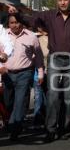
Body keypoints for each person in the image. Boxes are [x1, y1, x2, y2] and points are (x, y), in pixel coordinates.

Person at [34, 0, 70, 143]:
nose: (63, 2)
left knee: (69, 97)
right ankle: (50, 130)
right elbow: (31, 18)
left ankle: (63, 128)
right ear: (56, 1)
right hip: (55, 59)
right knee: (52, 95)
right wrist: (17, 13)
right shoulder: (49, 15)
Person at [2, 13, 44, 141]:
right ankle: (14, 121)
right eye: (12, 23)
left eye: (17, 22)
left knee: (19, 102)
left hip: (24, 73)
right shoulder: (3, 36)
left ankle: (15, 128)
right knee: (8, 102)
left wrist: (40, 72)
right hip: (6, 74)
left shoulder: (31, 37)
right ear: (8, 24)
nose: (15, 25)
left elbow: (38, 56)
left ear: (22, 23)